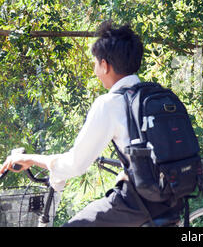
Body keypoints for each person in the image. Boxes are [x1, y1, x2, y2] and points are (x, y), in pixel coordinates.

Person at [0, 21, 182, 226]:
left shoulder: (110, 103)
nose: (95, 70)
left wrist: (31, 159)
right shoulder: (154, 96)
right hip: (173, 197)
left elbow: (76, 163)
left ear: (105, 65)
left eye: (95, 63)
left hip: (138, 203)